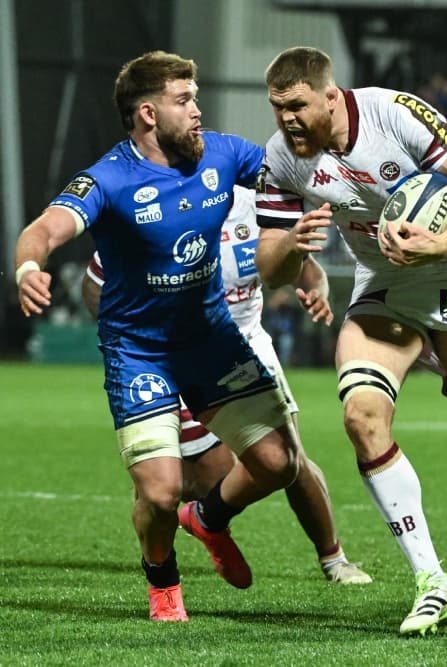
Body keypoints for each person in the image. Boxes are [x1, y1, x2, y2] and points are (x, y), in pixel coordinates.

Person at [15, 51, 304, 622]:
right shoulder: (109, 178)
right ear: (148, 114)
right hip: (138, 350)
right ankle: (163, 581)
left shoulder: (222, 153)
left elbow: (293, 170)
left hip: (212, 340)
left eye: (195, 97)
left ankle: (211, 521)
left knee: (279, 462)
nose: (198, 110)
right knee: (161, 492)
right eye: (184, 100)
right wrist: (29, 268)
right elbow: (43, 229)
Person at [254, 46, 447, 636]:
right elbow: (269, 268)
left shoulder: (394, 112)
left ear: (331, 96)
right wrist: (292, 242)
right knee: (361, 416)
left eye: (297, 106)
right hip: (383, 281)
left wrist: (441, 241)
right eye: (278, 108)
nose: (286, 120)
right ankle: (432, 583)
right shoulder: (281, 160)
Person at [81, 185, 372, 586]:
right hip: (174, 352)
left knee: (291, 458)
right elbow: (95, 281)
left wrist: (318, 292)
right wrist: (126, 335)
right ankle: (165, 568)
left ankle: (333, 558)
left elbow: (309, 270)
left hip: (246, 346)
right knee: (178, 479)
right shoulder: (159, 208)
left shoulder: (258, 208)